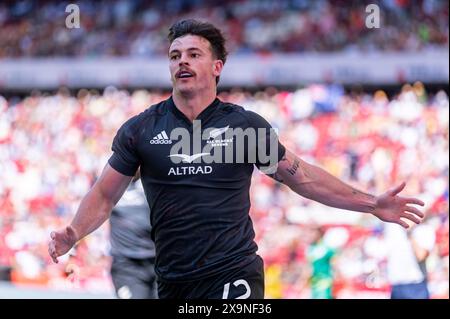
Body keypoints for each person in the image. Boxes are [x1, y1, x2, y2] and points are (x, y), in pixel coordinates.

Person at [48, 19, 425, 299]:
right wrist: (74, 231)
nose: (183, 62)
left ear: (217, 67)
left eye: (194, 54)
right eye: (175, 56)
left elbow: (303, 177)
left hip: (234, 274)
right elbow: (103, 196)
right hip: (174, 282)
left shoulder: (244, 128)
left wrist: (371, 203)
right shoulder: (141, 130)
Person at [109, 172, 157, 299]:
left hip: (160, 262)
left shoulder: (156, 181)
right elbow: (91, 214)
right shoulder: (110, 183)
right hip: (126, 266)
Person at [385, 218, 435, 299]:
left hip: (415, 286)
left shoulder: (425, 229)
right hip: (395, 286)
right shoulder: (392, 225)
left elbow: (421, 255)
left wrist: (409, 231)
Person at [306, 226, 336, 299]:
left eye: (313, 233)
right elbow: (308, 267)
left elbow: (334, 264)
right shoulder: (310, 248)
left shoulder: (326, 248)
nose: (310, 235)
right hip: (314, 281)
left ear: (319, 234)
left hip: (325, 280)